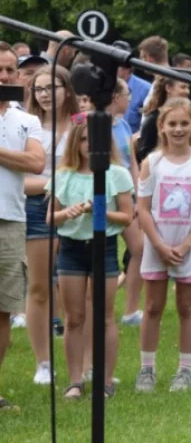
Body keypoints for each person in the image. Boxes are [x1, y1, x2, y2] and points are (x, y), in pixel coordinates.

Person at [135, 98, 191, 393]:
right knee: (153, 306)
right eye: (172, 124)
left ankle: (185, 370)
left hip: (189, 248)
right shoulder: (151, 163)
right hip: (157, 246)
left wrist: (187, 244)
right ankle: (147, 368)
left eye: (184, 123)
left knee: (186, 306)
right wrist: (158, 245)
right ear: (162, 127)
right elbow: (143, 209)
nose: (179, 129)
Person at [48, 114, 133, 399]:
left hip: (104, 247)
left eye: (94, 139)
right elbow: (51, 218)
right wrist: (66, 213)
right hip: (71, 249)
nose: (88, 145)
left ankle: (105, 380)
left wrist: (97, 211)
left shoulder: (116, 174)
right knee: (73, 318)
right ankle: (75, 380)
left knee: (105, 317)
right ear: (75, 142)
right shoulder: (63, 176)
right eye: (83, 139)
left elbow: (127, 217)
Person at [23, 65, 78, 384]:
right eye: (38, 89)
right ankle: (44, 362)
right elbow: (16, 180)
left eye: (51, 87)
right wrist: (51, 186)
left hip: (77, 209)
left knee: (79, 290)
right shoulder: (27, 128)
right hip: (36, 209)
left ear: (66, 89)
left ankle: (84, 361)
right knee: (40, 287)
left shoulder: (80, 125)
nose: (44, 94)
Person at [0, 41, 44, 412]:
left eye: (10, 70)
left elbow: (35, 162)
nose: (4, 75)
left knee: (2, 309)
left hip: (10, 221)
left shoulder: (27, 119)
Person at [110, 79, 146, 326]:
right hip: (108, 194)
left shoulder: (122, 124)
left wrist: (136, 196)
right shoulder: (95, 123)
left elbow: (132, 162)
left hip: (126, 194)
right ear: (115, 96)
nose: (130, 99)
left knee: (140, 249)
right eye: (127, 94)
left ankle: (130, 310)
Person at [135, 76, 191, 164]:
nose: (187, 92)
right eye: (183, 87)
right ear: (168, 88)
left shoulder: (189, 115)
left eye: (188, 88)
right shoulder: (152, 119)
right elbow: (145, 154)